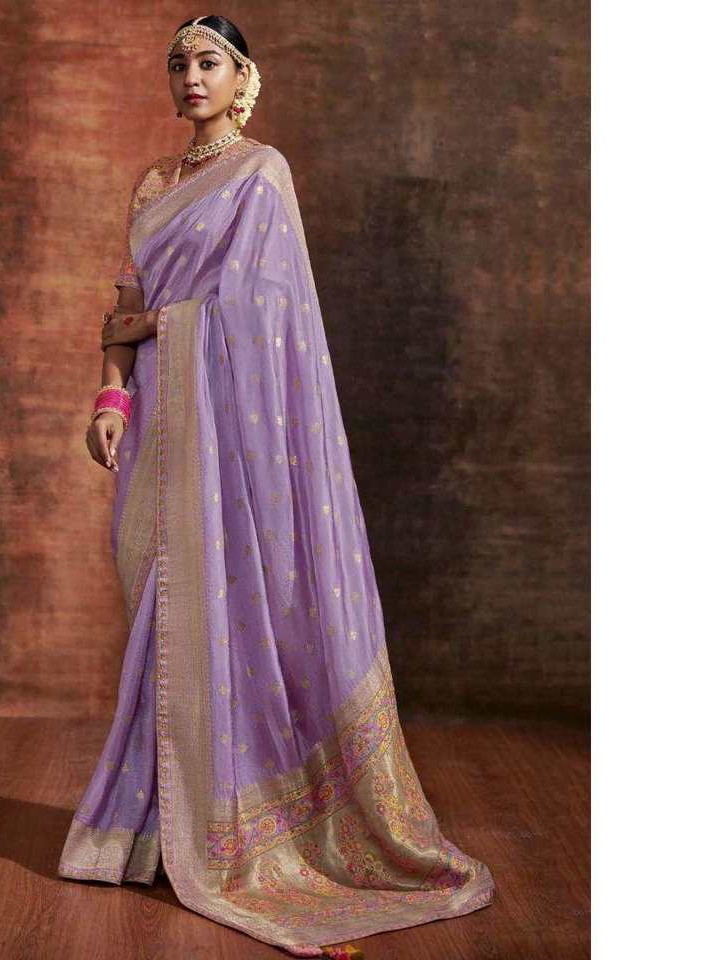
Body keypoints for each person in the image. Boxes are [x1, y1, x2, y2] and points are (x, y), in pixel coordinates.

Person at [60, 15, 495, 957]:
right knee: (159, 622)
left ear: (243, 78)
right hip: (160, 434)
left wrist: (158, 329)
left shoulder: (262, 176)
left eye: (208, 62)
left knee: (215, 617)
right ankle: (146, 833)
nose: (191, 77)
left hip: (228, 439)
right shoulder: (153, 185)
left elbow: (264, 314)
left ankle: (214, 838)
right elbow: (124, 309)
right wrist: (110, 397)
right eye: (178, 63)